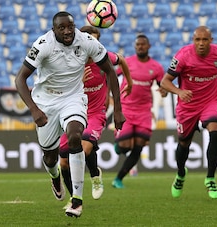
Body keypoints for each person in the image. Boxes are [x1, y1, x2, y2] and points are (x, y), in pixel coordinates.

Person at [14, 12, 125, 217]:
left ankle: (77, 200)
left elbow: (110, 70)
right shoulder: (42, 45)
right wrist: (34, 109)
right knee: (50, 156)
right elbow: (20, 79)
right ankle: (55, 176)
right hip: (46, 102)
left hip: (73, 98)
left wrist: (117, 109)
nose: (67, 31)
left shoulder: (87, 41)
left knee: (75, 137)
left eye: (70, 27)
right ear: (53, 29)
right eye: (61, 28)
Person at [160, 26, 217, 199]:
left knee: (215, 131)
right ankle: (181, 173)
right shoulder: (183, 56)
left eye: (205, 40)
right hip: (187, 105)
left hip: (210, 101)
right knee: (184, 143)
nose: (201, 43)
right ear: (193, 40)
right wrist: (179, 92)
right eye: (198, 40)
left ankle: (210, 178)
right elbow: (165, 82)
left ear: (211, 40)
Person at [59, 25, 132, 205]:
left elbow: (121, 60)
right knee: (63, 163)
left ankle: (94, 176)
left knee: (84, 148)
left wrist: (129, 83)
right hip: (72, 113)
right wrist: (77, 82)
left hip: (95, 113)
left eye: (95, 40)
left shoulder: (104, 58)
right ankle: (74, 197)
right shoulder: (69, 61)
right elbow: (58, 91)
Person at [112, 34, 167, 189]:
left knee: (139, 146)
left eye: (143, 44)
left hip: (144, 111)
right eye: (138, 45)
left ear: (148, 46)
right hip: (126, 109)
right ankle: (119, 144)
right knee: (125, 146)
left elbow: (162, 85)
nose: (140, 47)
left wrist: (164, 91)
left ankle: (119, 179)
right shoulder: (126, 62)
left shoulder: (156, 67)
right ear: (135, 47)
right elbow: (111, 75)